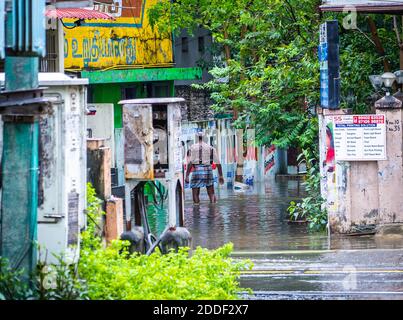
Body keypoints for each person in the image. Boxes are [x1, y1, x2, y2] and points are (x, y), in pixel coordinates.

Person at [185, 132, 224, 204]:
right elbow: (218, 162)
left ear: (196, 138)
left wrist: (187, 175)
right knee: (211, 193)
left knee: (195, 194)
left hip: (197, 170)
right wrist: (221, 175)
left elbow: (190, 162)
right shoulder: (211, 148)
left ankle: (196, 209)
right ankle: (213, 208)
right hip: (208, 170)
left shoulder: (192, 148)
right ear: (205, 138)